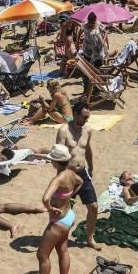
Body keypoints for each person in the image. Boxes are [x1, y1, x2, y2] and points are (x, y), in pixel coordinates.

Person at [31, 144, 83, 274]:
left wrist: (51, 208)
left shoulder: (58, 178)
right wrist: (70, 196)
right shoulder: (71, 173)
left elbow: (45, 198)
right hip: (69, 215)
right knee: (63, 250)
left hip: (59, 220)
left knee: (42, 255)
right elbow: (80, 182)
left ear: (54, 162)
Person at [56, 101, 100, 250]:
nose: (85, 120)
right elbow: (58, 157)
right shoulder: (63, 131)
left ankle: (90, 237)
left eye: (87, 118)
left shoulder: (87, 130)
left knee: (93, 206)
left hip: (83, 172)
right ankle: (62, 238)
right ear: (74, 114)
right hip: (68, 175)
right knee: (66, 210)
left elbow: (87, 149)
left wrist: (91, 167)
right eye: (83, 117)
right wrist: (63, 177)